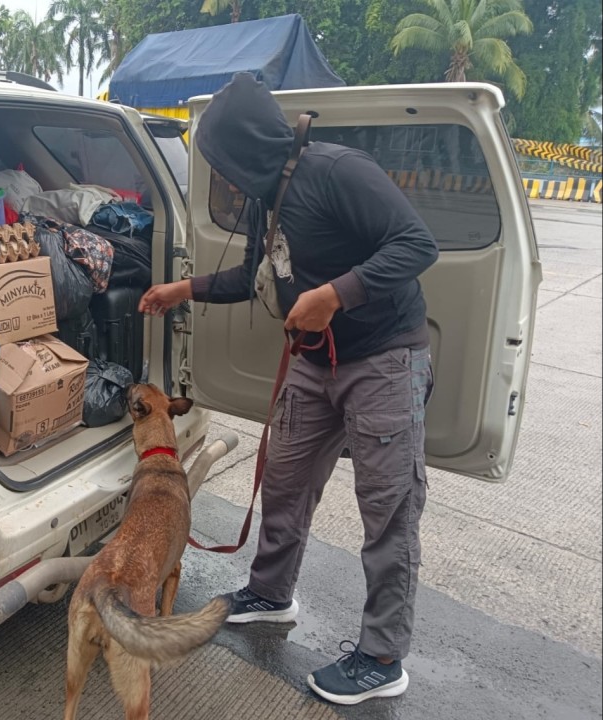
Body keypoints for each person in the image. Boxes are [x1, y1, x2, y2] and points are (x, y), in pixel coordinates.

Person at [138, 72, 439, 706]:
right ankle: (271, 594)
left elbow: (416, 244)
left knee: (388, 511)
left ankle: (382, 657)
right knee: (284, 481)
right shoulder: (263, 195)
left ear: (244, 149)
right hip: (313, 362)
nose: (219, 175)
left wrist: (334, 295)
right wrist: (182, 290)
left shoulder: (336, 171)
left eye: (219, 161)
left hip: (384, 359)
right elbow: (255, 272)